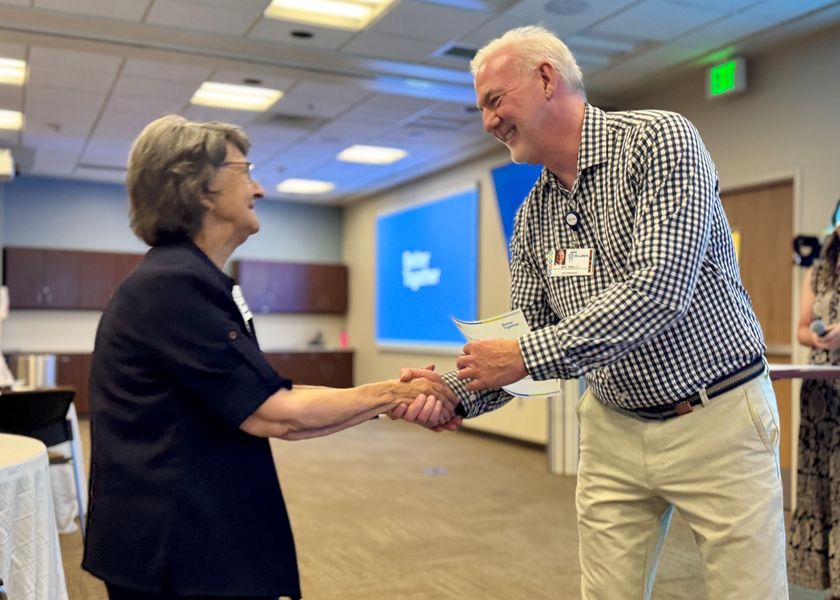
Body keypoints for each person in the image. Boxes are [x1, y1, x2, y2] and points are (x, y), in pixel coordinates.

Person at [397, 26, 787, 599]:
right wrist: (456, 392)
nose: (487, 122)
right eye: (481, 107)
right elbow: (527, 335)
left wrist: (524, 354)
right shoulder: (532, 216)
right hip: (613, 428)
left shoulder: (660, 142)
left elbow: (658, 292)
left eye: (494, 100)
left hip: (717, 417)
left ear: (547, 78)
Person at [82, 115, 455, 600]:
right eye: (245, 171)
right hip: (172, 546)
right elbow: (277, 416)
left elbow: (271, 399)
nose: (258, 188)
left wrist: (387, 398)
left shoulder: (192, 280)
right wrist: (393, 393)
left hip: (191, 531)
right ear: (201, 189)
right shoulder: (173, 286)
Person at [788, 199, 840, 600]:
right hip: (821, 395)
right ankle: (830, 583)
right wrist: (819, 337)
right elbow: (803, 329)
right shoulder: (821, 270)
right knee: (821, 486)